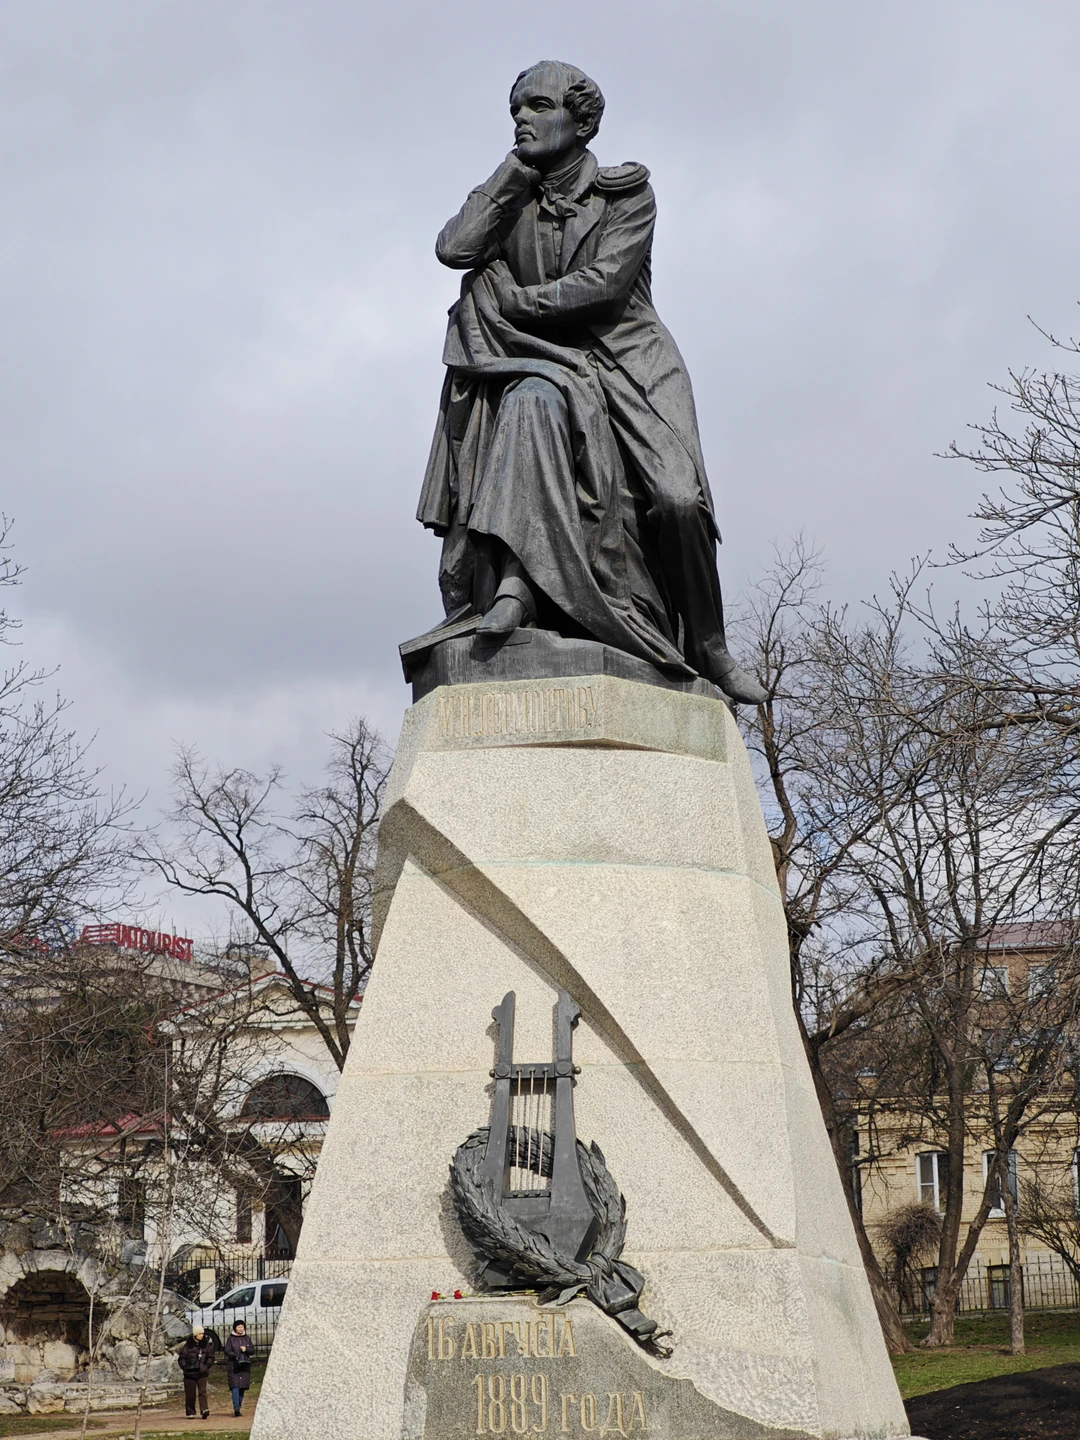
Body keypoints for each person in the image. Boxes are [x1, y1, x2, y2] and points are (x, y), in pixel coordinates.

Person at [418, 60, 766, 706]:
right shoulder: (510, 198)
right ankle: (518, 588)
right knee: (528, 405)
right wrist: (512, 175)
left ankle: (711, 647)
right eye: (515, 110)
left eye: (538, 107)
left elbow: (602, 286)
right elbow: (454, 248)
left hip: (630, 362)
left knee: (677, 499)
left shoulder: (626, 194)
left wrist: (514, 307)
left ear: (580, 123)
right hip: (543, 360)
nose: (522, 118)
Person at [177, 1325, 215, 1420]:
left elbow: (211, 1357)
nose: (202, 1335)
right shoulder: (187, 1346)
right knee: (190, 1394)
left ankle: (204, 1409)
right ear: (195, 1335)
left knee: (202, 1391)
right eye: (200, 1333)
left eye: (202, 1333)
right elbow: (181, 1358)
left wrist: (206, 1367)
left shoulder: (206, 1345)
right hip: (190, 1373)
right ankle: (190, 1411)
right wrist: (185, 1367)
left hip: (202, 1372)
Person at [224, 1319, 254, 1417]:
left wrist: (246, 1350)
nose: (240, 1329)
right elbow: (227, 1350)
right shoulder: (231, 1339)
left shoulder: (247, 1338)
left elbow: (252, 1350)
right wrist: (234, 1355)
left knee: (242, 1388)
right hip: (234, 1366)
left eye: (242, 1327)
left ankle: (239, 1406)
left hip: (244, 1366)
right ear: (235, 1328)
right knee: (235, 1387)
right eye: (238, 1327)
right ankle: (236, 1408)